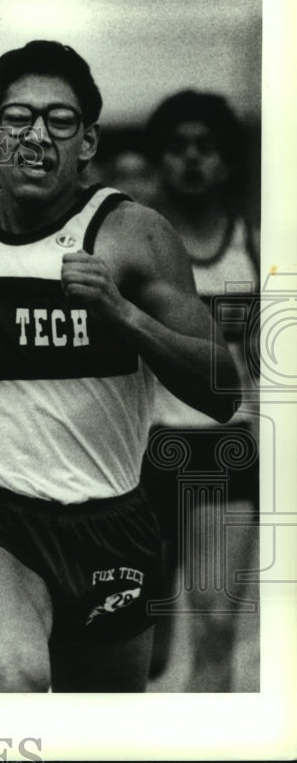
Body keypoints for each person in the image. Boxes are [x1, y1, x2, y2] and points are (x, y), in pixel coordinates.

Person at [0, 41, 240, 692]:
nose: (37, 136)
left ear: (87, 142)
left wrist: (123, 315)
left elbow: (221, 389)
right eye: (18, 118)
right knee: (16, 679)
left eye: (59, 121)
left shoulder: (135, 236)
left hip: (110, 523)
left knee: (105, 721)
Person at [140, 90, 259, 690]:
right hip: (140, 453)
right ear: (159, 159)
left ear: (228, 162)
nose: (190, 159)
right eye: (177, 147)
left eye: (205, 147)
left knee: (214, 630)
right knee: (144, 652)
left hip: (225, 450)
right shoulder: (129, 245)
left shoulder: (256, 249)